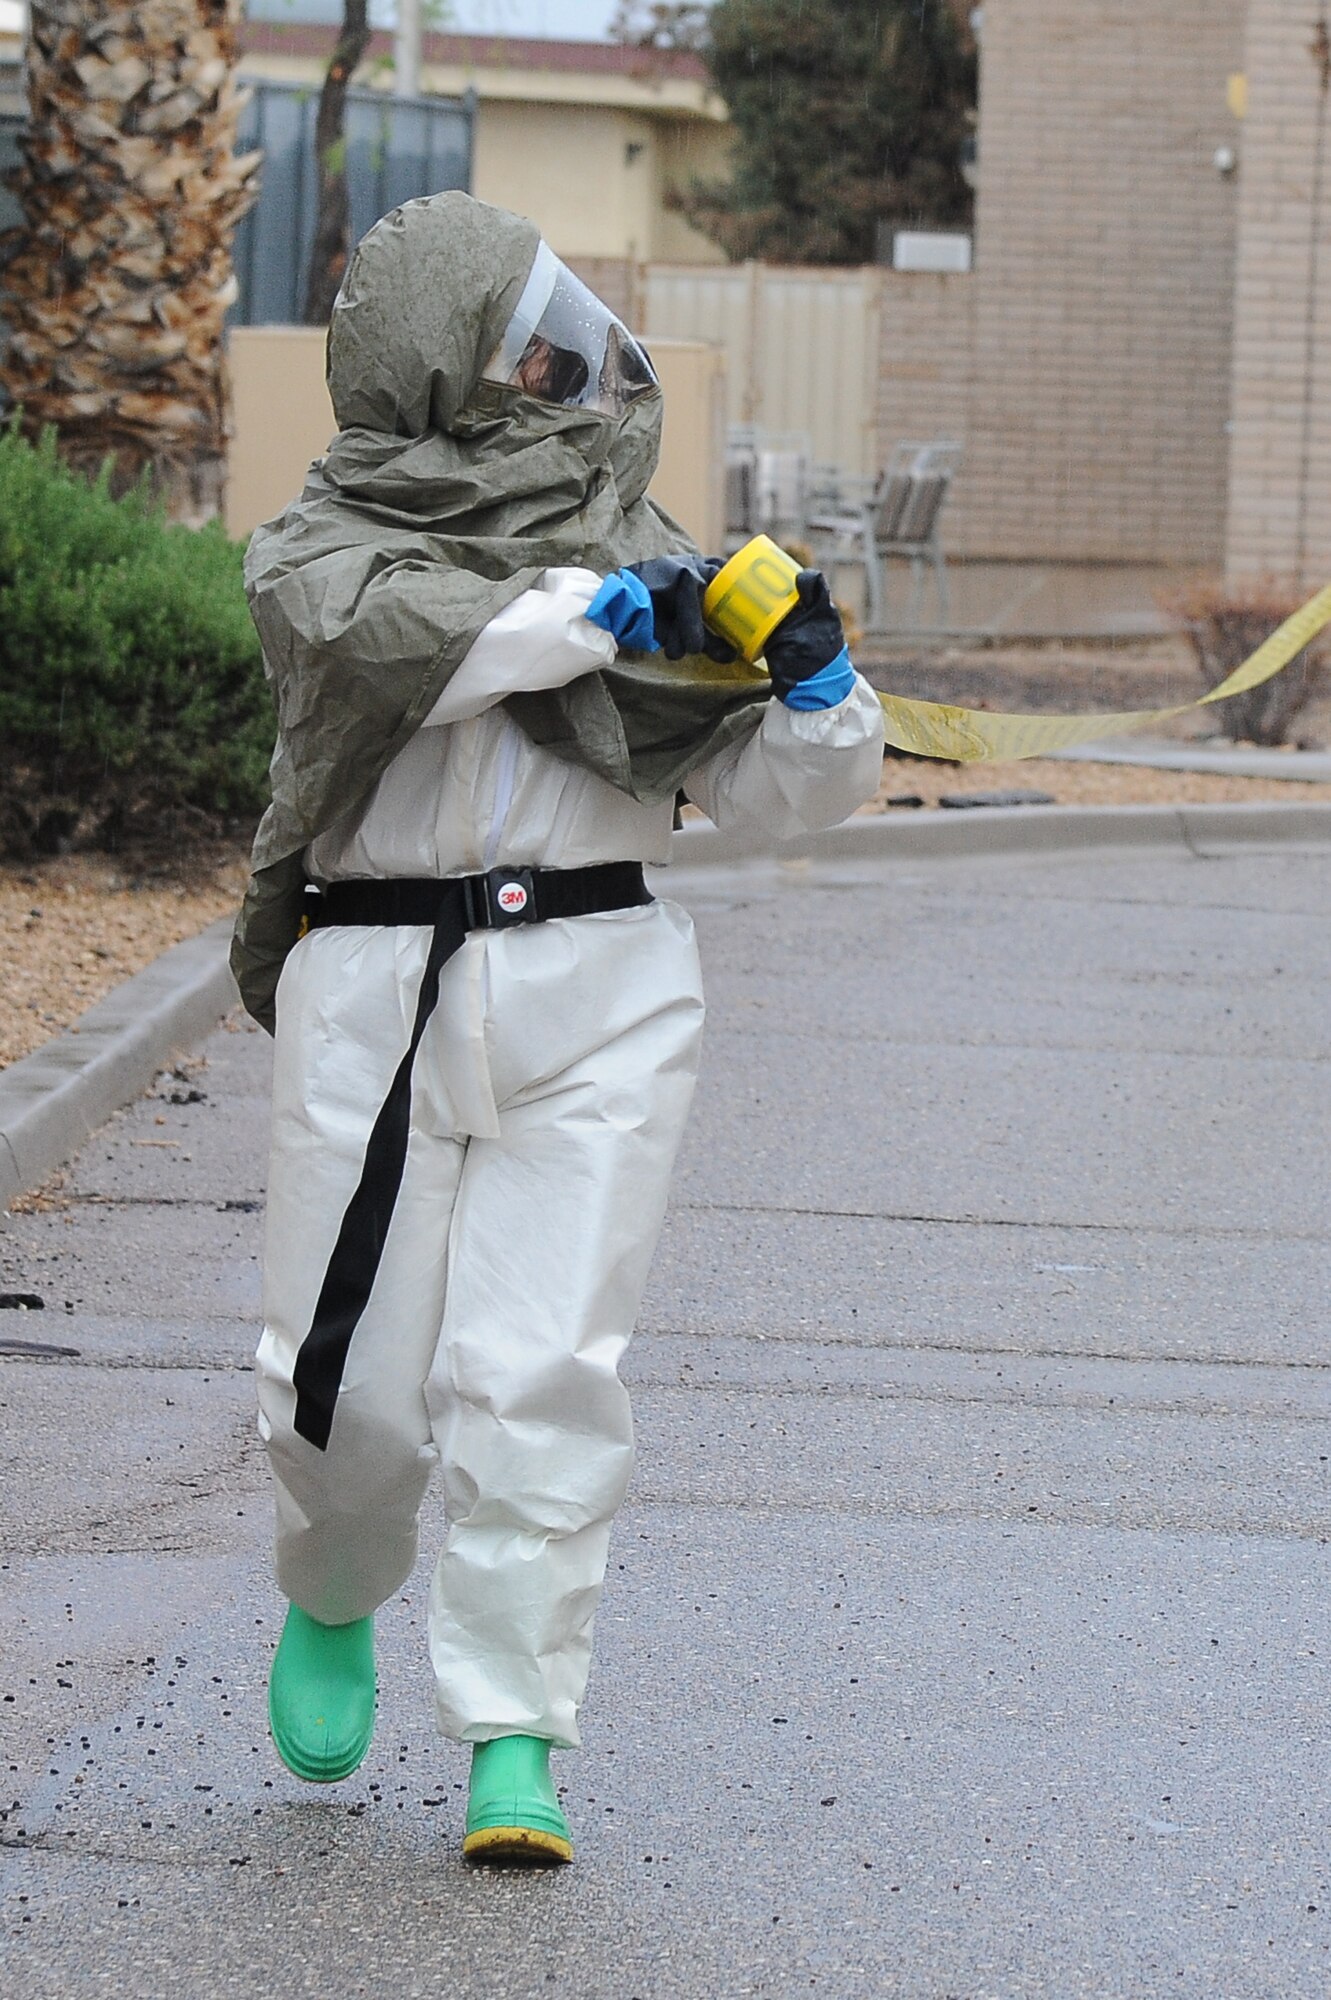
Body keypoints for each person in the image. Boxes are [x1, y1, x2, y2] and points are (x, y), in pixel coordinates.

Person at [233, 191, 884, 1866]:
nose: (558, 372)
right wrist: (591, 613)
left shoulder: (631, 535)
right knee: (351, 1391)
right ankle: (333, 1583)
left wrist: (814, 692)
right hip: (376, 992)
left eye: (559, 340)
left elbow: (761, 798)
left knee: (543, 1377)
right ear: (435, 355)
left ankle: (516, 1733)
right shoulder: (322, 543)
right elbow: (405, 648)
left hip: (597, 993)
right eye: (523, 343)